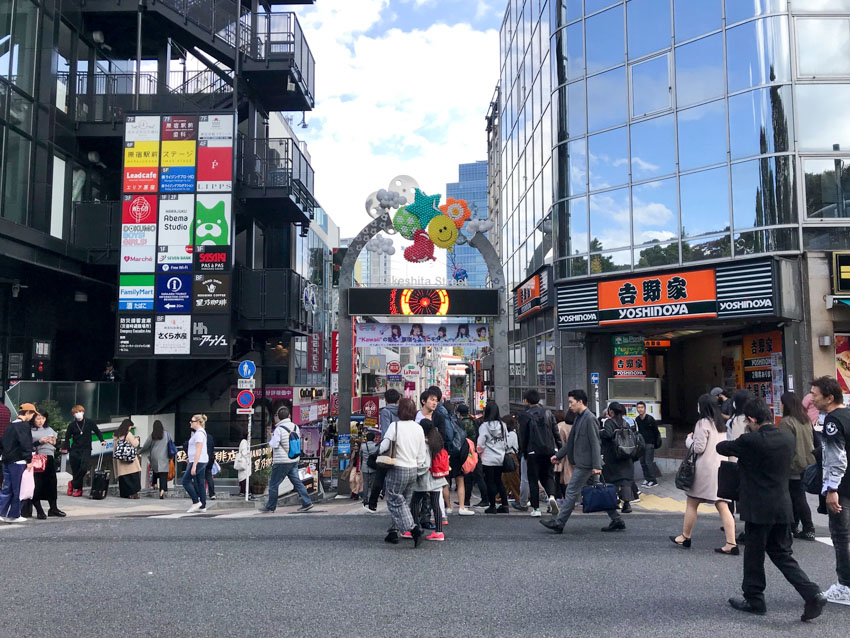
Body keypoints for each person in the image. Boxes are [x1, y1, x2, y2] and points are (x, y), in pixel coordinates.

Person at [717, 398, 827, 621]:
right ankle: (811, 592)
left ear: (752, 419)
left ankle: (754, 598)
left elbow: (722, 447)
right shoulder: (786, 437)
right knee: (781, 553)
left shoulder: (750, 440)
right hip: (783, 505)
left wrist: (745, 434)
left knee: (754, 555)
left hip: (758, 507)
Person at [541, 389, 626, 533]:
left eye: (571, 402)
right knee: (600, 490)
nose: (570, 405)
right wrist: (559, 455)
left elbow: (595, 442)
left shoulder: (589, 418)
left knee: (571, 491)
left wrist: (596, 466)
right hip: (585, 462)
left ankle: (560, 523)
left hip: (587, 464)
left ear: (580, 402)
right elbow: (571, 442)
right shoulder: (579, 417)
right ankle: (617, 520)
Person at [669, 394, 737, 553]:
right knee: (722, 505)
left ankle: (685, 537)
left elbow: (699, 448)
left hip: (704, 469)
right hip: (720, 468)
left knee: (692, 502)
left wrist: (688, 440)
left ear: (703, 407)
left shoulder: (703, 423)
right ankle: (731, 543)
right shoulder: (721, 423)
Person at [809, 376, 850, 605]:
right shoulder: (848, 414)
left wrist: (832, 489)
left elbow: (836, 459)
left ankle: (845, 586)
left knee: (841, 537)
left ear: (829, 397)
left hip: (842, 487)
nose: (812, 399)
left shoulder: (833, 421)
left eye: (815, 394)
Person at [380, 397, 428, 547]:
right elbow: (422, 453)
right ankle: (393, 531)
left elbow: (383, 447)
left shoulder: (395, 426)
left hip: (397, 467)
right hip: (413, 468)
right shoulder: (418, 428)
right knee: (403, 502)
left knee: (394, 500)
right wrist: (418, 464)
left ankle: (414, 529)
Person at [778, 392, 816, 542]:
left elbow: (784, 445)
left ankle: (808, 527)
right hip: (808, 462)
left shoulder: (786, 422)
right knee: (798, 495)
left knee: (797, 497)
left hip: (793, 463)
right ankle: (795, 525)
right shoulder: (805, 419)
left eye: (781, 403)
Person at [260, 407, 313, 513]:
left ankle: (270, 506)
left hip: (282, 462)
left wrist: (271, 438)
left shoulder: (279, 429)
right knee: (297, 482)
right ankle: (307, 502)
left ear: (278, 418)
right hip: (293, 459)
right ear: (289, 416)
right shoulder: (295, 427)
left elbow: (274, 444)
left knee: (273, 484)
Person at [518, 389, 561, 517]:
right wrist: (560, 450)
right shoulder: (548, 412)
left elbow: (523, 435)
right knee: (548, 476)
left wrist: (523, 451)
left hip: (532, 451)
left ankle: (536, 509)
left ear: (526, 400)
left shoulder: (524, 415)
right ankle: (552, 497)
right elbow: (556, 432)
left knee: (533, 479)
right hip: (548, 450)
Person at [409, 419, 448, 541]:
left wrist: (415, 473)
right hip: (438, 477)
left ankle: (414, 528)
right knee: (436, 504)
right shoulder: (437, 441)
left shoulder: (424, 444)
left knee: (415, 502)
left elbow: (425, 464)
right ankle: (439, 532)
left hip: (425, 479)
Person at [0, 403, 37, 523]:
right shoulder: (24, 426)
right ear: (27, 413)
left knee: (7, 488)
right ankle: (14, 514)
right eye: (32, 414)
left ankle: (2, 512)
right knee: (19, 489)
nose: (32, 417)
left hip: (7, 460)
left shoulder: (10, 425)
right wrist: (29, 460)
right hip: (19, 461)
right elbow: (26, 444)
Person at [600, 402, 637, 514]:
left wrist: (599, 433)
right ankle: (627, 504)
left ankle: (613, 502)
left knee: (612, 479)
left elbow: (608, 434)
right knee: (625, 480)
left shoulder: (609, 422)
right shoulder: (627, 422)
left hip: (613, 456)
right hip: (626, 455)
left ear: (611, 411)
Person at [62, 405, 105, 497]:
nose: (78, 414)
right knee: (76, 470)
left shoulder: (89, 422)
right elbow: (67, 438)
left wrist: (102, 440)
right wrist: (69, 449)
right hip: (75, 450)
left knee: (83, 468)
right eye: (76, 412)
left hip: (86, 449)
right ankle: (78, 489)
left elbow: (97, 431)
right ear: (73, 414)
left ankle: (72, 484)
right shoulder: (72, 425)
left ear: (83, 412)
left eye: (80, 411)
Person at [28, 410, 64, 519]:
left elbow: (56, 443)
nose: (40, 421)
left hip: (50, 457)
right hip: (37, 458)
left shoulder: (49, 429)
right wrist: (39, 442)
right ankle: (39, 510)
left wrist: (53, 442)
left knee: (52, 483)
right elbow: (27, 446)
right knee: (37, 484)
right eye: (38, 418)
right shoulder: (29, 430)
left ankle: (53, 508)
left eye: (43, 418)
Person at [477, 401, 510, 514]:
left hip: (488, 458)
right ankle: (505, 505)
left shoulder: (484, 426)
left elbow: (480, 443)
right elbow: (506, 442)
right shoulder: (503, 425)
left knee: (490, 482)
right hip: (500, 458)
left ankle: (492, 506)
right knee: (499, 481)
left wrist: (480, 452)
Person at [459, 404, 488, 507]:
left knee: (470, 476)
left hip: (468, 452)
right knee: (474, 476)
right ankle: (466, 499)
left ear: (458, 413)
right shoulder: (474, 421)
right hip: (475, 451)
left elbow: (461, 438)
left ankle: (482, 499)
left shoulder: (463, 423)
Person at [182, 414, 209, 513]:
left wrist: (193, 465)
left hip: (198, 461)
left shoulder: (199, 434)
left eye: (192, 421)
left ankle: (196, 502)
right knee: (200, 482)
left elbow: (198, 450)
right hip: (200, 460)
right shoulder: (200, 433)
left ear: (197, 422)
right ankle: (203, 505)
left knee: (185, 481)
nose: (190, 423)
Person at [141, 420, 173, 499]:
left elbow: (146, 445)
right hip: (164, 456)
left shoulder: (152, 435)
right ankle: (162, 491)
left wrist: (139, 451)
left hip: (154, 456)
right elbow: (171, 443)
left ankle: (154, 483)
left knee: (155, 470)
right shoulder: (167, 434)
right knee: (163, 474)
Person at [113, 419, 141, 499]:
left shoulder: (116, 435)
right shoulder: (128, 434)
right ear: (128, 426)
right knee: (133, 478)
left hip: (120, 460)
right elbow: (135, 444)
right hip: (129, 460)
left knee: (124, 479)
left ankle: (124, 494)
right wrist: (137, 439)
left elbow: (115, 448)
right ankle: (133, 494)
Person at [635, 401, 660, 488]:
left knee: (648, 462)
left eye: (642, 407)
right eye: (638, 407)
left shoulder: (650, 419)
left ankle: (653, 480)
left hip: (650, 443)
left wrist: (655, 443)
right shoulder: (637, 419)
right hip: (641, 444)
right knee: (642, 462)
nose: (640, 409)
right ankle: (647, 478)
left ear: (645, 408)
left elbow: (656, 432)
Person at [552, 410, 574, 499]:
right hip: (576, 455)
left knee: (562, 478)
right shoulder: (575, 426)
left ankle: (561, 497)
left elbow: (561, 442)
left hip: (563, 455)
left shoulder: (560, 427)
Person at [501, 415, 521, 505]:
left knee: (513, 479)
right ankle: (499, 498)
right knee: (504, 479)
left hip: (511, 457)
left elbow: (506, 446)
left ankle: (520, 498)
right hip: (507, 457)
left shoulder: (512, 434)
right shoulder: (509, 433)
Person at [359, 431, 378, 505]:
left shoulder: (363, 446)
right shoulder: (376, 445)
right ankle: (372, 498)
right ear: (374, 438)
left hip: (365, 466)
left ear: (367, 438)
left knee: (365, 483)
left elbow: (360, 455)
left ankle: (365, 499)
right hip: (373, 465)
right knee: (373, 484)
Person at [235, 426, 253, 499]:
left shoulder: (243, 442)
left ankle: (243, 491)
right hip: (244, 462)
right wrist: (249, 455)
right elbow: (244, 452)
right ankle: (245, 492)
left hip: (244, 462)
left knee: (244, 477)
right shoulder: (244, 442)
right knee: (244, 477)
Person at [204, 429, 217, 501]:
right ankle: (212, 494)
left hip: (202, 459)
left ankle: (201, 493)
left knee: (200, 477)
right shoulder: (210, 437)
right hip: (210, 459)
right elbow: (212, 448)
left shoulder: (200, 437)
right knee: (209, 476)